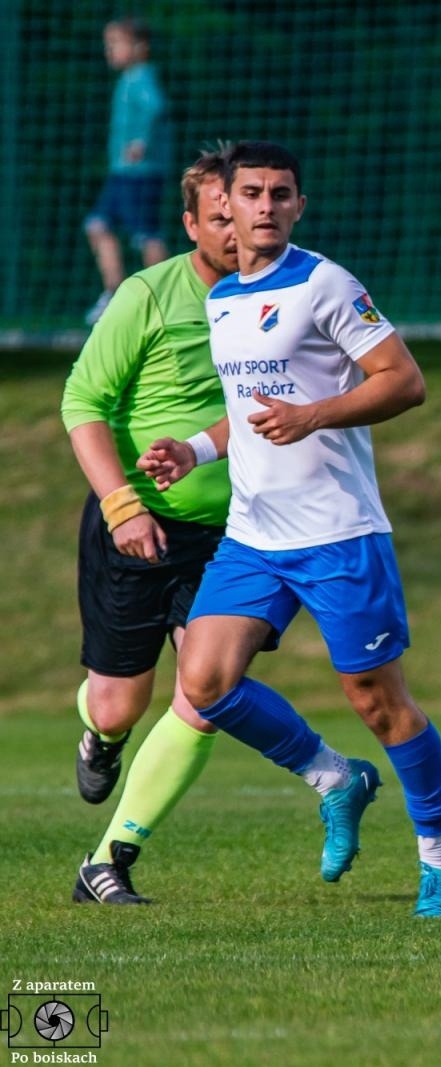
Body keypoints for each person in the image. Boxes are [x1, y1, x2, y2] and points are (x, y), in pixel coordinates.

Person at [137, 141, 441, 918]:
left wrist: (313, 415)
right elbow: (253, 408)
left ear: (298, 205)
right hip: (254, 534)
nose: (263, 206)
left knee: (378, 700)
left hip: (339, 532)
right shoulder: (222, 298)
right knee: (205, 681)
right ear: (225, 202)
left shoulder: (326, 283)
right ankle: (336, 779)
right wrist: (192, 449)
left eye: (279, 194)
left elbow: (404, 381)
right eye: (249, 193)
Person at [61, 148, 237, 905]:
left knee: (207, 689)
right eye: (221, 216)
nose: (241, 227)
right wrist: (123, 505)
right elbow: (82, 405)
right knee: (118, 703)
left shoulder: (292, 297)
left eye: (254, 208)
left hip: (238, 537)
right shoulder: (148, 295)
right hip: (141, 528)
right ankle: (99, 733)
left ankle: (109, 859)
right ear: (192, 222)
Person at [84, 17, 171, 326]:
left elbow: (155, 107)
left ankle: (160, 299)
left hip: (140, 172)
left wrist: (140, 142)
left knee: (145, 233)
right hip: (121, 173)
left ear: (139, 47)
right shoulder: (127, 79)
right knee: (97, 225)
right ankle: (113, 292)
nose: (110, 51)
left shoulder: (142, 77)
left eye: (115, 44)